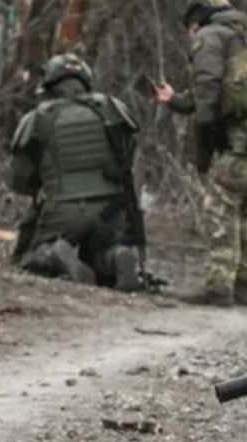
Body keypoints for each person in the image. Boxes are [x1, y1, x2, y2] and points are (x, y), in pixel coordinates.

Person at [152, 0, 247, 306]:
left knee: (219, 207)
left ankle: (218, 288)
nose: (192, 35)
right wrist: (176, 101)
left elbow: (207, 91)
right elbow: (219, 92)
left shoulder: (211, 37)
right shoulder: (246, 38)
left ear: (198, 17)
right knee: (243, 211)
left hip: (237, 142)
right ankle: (242, 287)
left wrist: (208, 140)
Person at [9, 54, 147, 288]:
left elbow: (21, 180)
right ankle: (117, 257)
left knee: (30, 260)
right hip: (111, 208)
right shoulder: (112, 107)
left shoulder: (39, 118)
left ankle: (54, 253)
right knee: (99, 255)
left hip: (64, 208)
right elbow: (128, 156)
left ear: (50, 84)